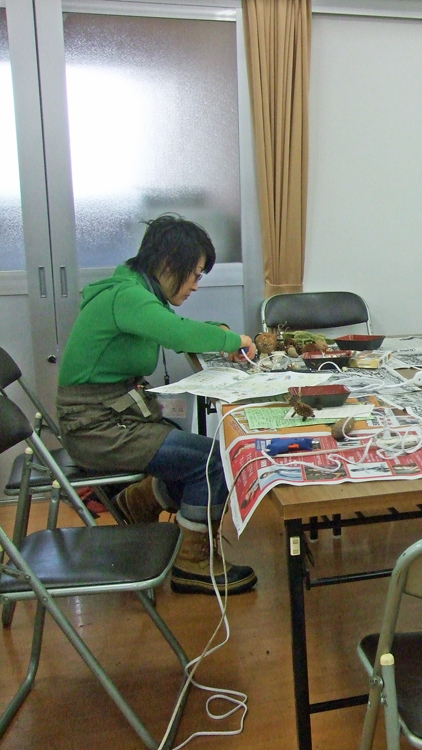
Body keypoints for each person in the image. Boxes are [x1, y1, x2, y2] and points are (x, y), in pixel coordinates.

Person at [57, 215, 259, 595]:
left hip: (112, 416)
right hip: (96, 427)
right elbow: (178, 332)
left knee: (194, 453)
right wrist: (235, 340)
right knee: (212, 460)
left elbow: (172, 327)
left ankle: (139, 503)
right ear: (168, 264)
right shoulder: (127, 296)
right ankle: (193, 562)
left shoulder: (134, 290)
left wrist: (217, 332)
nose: (196, 285)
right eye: (194, 275)